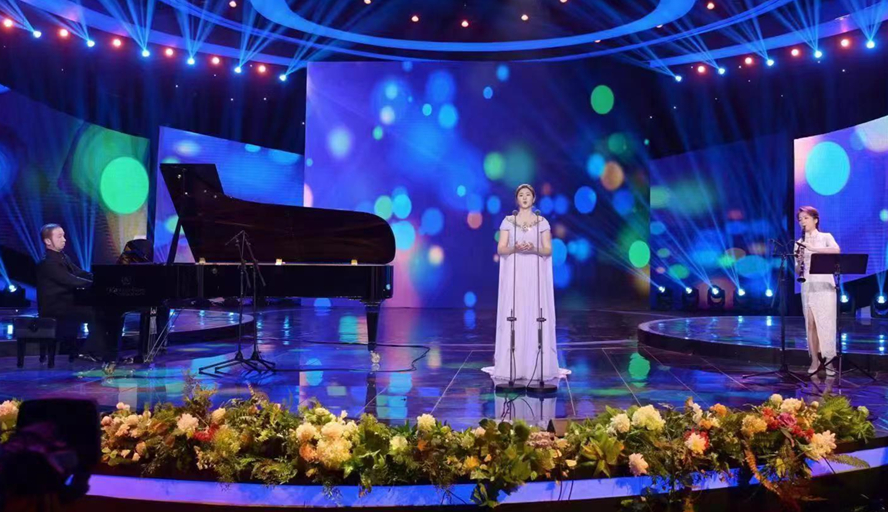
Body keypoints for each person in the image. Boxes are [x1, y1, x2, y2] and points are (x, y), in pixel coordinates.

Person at [483, 184, 569, 382]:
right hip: (515, 275)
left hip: (534, 273)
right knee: (515, 313)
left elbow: (548, 250)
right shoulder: (508, 221)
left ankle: (535, 365)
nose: (524, 198)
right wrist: (514, 247)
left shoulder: (542, 222)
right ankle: (514, 365)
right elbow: (501, 249)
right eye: (521, 195)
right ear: (517, 199)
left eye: (528, 195)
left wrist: (533, 249)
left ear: (533, 198)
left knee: (533, 312)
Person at [36, 224, 118, 371]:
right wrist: (96, 284)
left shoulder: (63, 257)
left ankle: (98, 351)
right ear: (48, 241)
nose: (64, 239)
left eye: (64, 235)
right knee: (96, 313)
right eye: (59, 236)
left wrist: (102, 278)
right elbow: (70, 280)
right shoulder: (47, 262)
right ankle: (90, 351)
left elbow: (79, 273)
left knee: (100, 311)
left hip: (68, 303)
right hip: (55, 307)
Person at [795, 206, 841, 376]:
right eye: (800, 219)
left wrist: (813, 249)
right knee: (811, 324)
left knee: (826, 323)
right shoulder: (798, 243)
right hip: (808, 285)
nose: (802, 222)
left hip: (825, 285)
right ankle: (814, 360)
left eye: (805, 218)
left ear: (815, 220)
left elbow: (836, 250)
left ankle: (829, 362)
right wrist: (799, 261)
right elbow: (797, 271)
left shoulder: (825, 237)